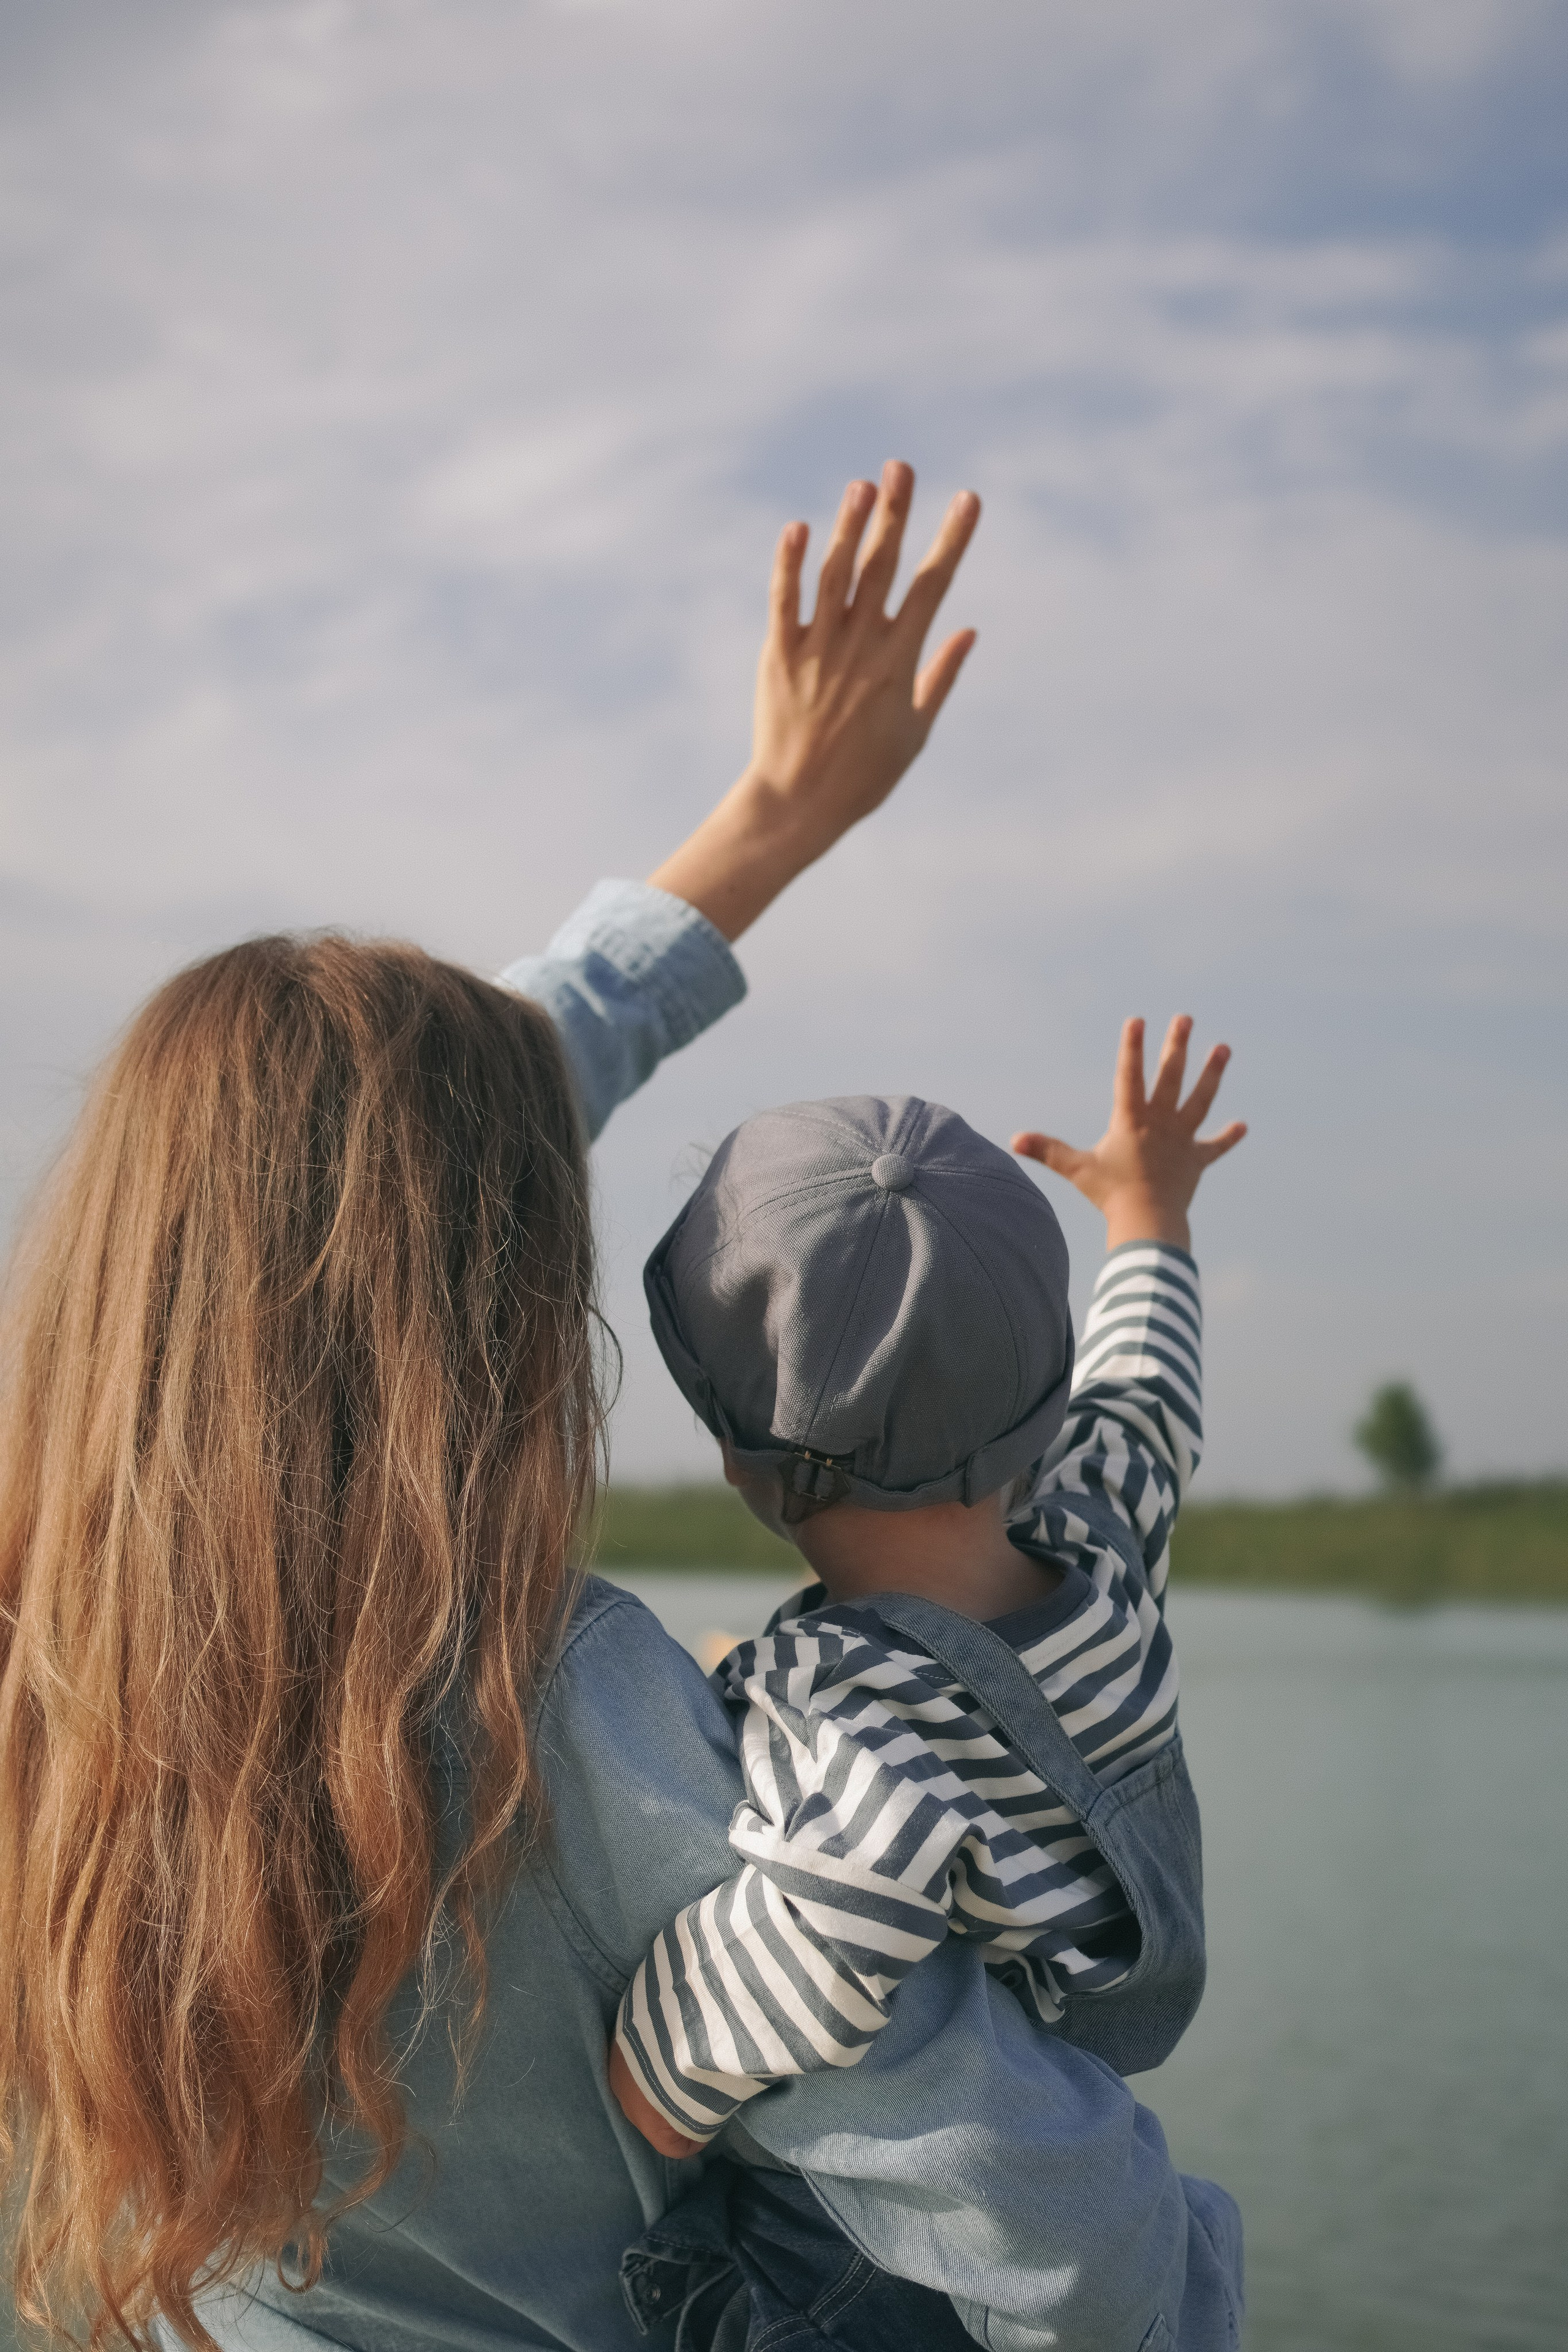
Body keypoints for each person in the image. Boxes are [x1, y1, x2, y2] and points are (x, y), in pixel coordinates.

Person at [0, 464, 1241, 2352]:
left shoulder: (41, 1643)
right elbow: (1069, 2236)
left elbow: (356, 1174)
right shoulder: (581, 1722)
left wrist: (764, 824)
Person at [605, 1042, 1242, 2348]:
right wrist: (1146, 1215)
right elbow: (1148, 1393)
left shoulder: (849, 1703)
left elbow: (839, 1915)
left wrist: (654, 2072)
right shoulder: (1103, 1531)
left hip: (885, 2267)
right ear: (1042, 1397)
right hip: (1080, 2111)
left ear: (735, 1453)